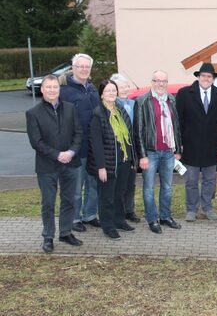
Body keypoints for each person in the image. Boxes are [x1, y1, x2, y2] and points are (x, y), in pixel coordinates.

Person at [26, 75, 84, 253]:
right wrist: (57, 155)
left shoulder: (70, 108)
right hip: (47, 166)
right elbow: (36, 142)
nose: (52, 90)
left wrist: (71, 152)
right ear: (42, 90)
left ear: (59, 89)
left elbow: (78, 133)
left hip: (70, 163)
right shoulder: (33, 113)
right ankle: (48, 236)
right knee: (48, 203)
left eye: (55, 87)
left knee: (69, 200)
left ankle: (65, 232)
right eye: (48, 87)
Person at [176, 62, 217, 222]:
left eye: (210, 76)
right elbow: (178, 121)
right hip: (190, 144)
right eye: (204, 75)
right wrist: (179, 144)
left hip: (212, 145)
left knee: (209, 180)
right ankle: (191, 209)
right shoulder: (185, 93)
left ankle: (207, 208)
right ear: (198, 77)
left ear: (213, 79)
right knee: (191, 180)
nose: (206, 78)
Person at [134, 70, 183, 234]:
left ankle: (165, 217)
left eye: (164, 81)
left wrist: (178, 149)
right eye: (157, 81)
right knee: (149, 189)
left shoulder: (171, 100)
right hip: (150, 153)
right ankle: (152, 219)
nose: (161, 84)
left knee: (167, 187)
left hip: (168, 152)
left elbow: (176, 126)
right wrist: (142, 155)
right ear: (152, 82)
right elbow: (138, 130)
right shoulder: (142, 101)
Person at [88, 80, 135, 240]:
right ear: (101, 94)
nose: (111, 93)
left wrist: (131, 160)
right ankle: (108, 226)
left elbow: (129, 135)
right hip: (107, 163)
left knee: (120, 193)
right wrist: (101, 167)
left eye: (113, 90)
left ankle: (119, 220)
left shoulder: (120, 110)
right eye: (108, 91)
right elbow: (96, 143)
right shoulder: (97, 114)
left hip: (123, 160)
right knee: (106, 196)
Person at [60, 53, 101, 232]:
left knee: (93, 184)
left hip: (94, 148)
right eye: (80, 66)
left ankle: (90, 214)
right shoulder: (65, 91)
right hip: (75, 148)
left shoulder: (92, 89)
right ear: (73, 68)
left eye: (87, 67)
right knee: (76, 187)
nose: (84, 69)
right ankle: (75, 218)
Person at [111, 73, 140, 223]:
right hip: (118, 152)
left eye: (126, 86)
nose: (124, 90)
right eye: (120, 87)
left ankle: (130, 210)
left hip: (132, 150)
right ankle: (119, 213)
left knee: (131, 182)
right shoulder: (112, 106)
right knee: (119, 185)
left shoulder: (133, 104)